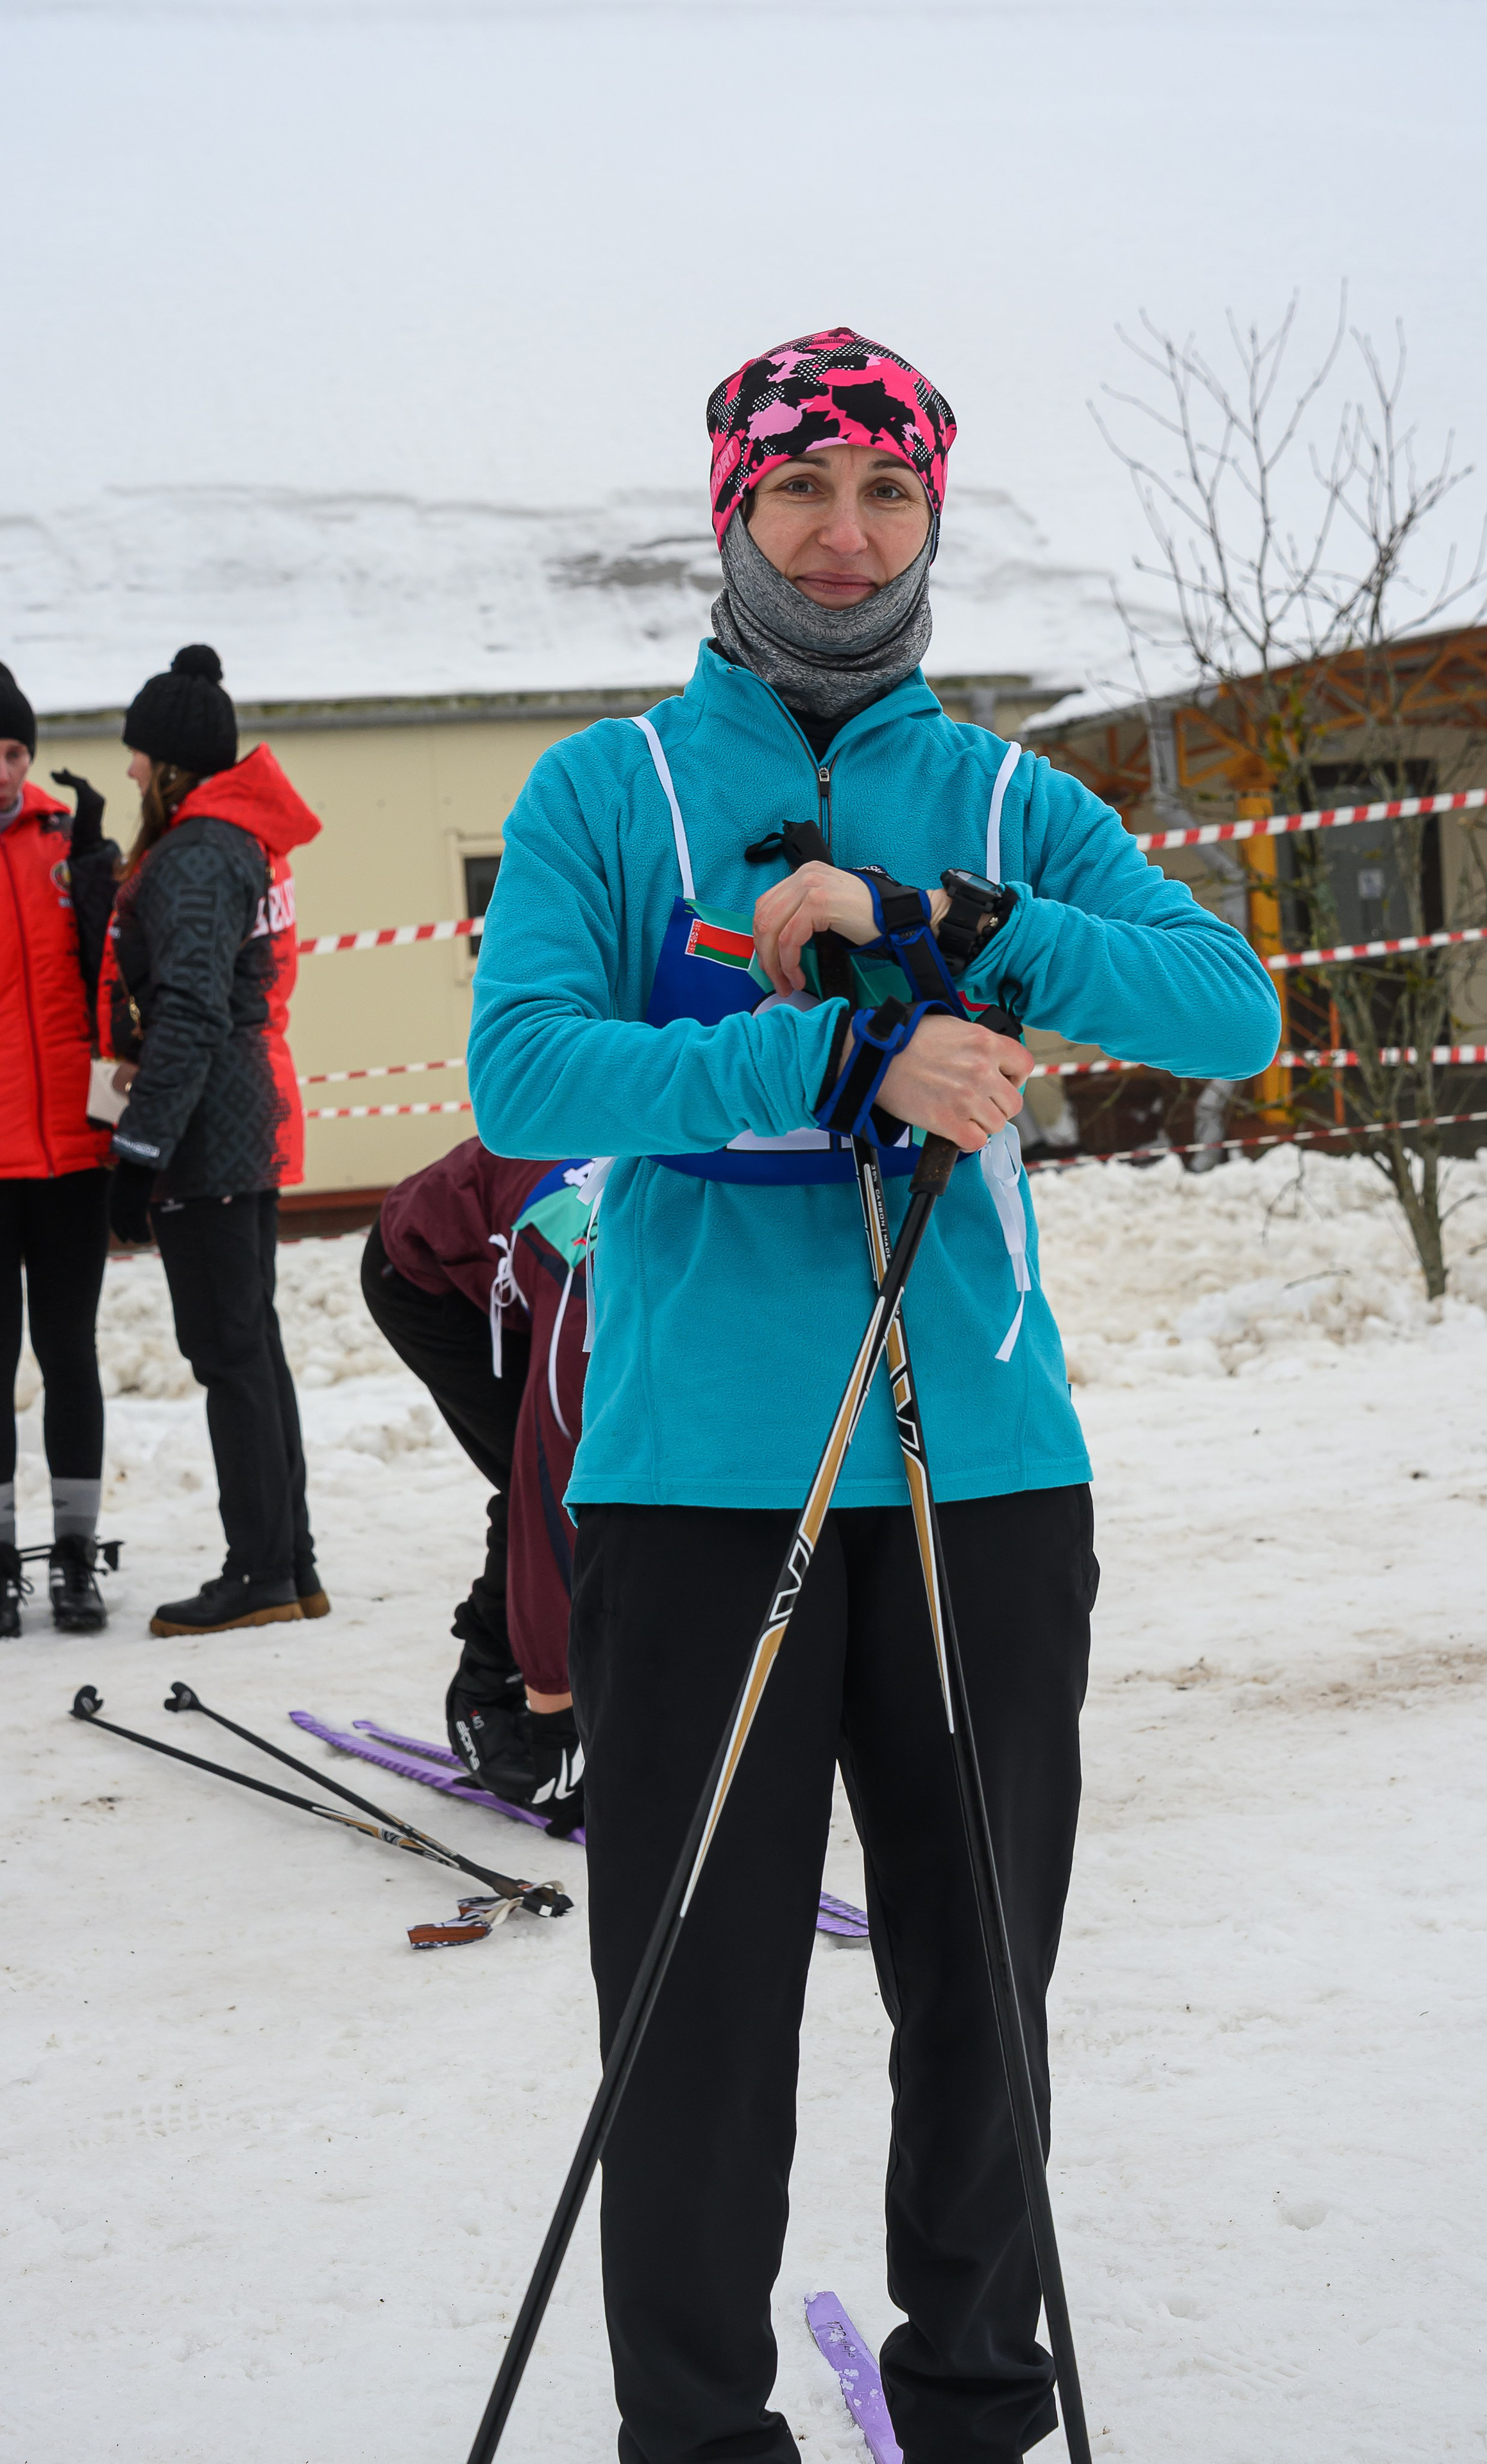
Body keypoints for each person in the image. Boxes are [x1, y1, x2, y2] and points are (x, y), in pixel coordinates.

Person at [468, 328, 1282, 2464]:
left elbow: (1231, 1010)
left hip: (985, 1479)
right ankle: (700, 2436)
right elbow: (525, 1075)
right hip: (694, 1482)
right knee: (696, 2021)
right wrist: (826, 1054)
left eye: (887, 495)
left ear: (932, 516)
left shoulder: (1011, 797)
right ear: (730, 509)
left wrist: (951, 932)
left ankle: (975, 2406)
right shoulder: (607, 792)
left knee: (979, 1994)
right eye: (801, 490)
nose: (844, 537)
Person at [103, 646, 327, 1637]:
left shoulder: (198, 853)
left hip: (211, 1129)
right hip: (247, 1114)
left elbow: (188, 1009)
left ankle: (261, 1572)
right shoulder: (231, 842)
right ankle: (292, 1562)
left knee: (230, 1352)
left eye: (140, 756)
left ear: (176, 766)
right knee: (253, 1347)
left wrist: (139, 1150)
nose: (130, 772)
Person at [359, 1136, 588, 1831]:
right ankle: (496, 1689)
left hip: (529, 1250)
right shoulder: (594, 1297)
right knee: (559, 1488)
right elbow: (553, 1503)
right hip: (432, 1275)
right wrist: (555, 1709)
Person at [0, 661, 119, 1637]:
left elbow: (105, 981)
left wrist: (100, 878)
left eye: (13, 752)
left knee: (69, 1355)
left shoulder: (61, 841)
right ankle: (0, 1559)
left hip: (72, 1160)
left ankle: (76, 1558)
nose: (2, 769)